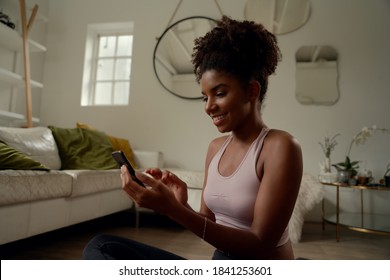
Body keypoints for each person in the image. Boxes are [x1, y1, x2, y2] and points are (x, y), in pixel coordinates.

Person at [83, 16, 303, 260]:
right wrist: (181, 206)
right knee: (101, 246)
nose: (209, 107)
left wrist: (174, 210)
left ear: (251, 91)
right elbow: (209, 224)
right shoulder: (216, 148)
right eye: (204, 97)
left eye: (219, 93)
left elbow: (259, 243)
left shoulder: (280, 147)